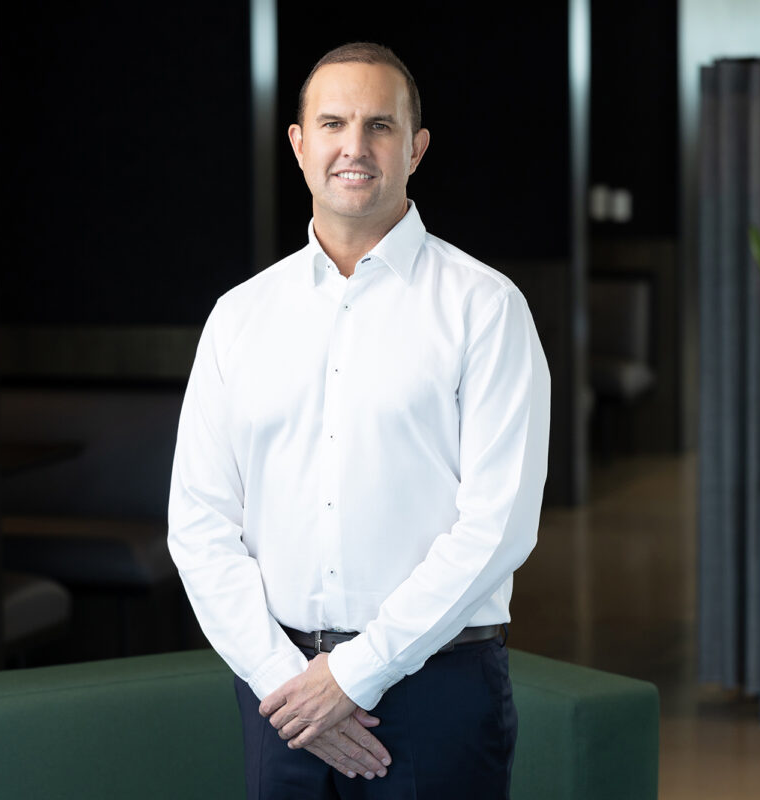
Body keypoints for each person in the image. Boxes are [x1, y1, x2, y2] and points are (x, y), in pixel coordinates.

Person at [167, 42, 549, 799]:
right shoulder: (239, 317)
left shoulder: (486, 308)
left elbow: (498, 524)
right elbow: (199, 524)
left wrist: (356, 673)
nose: (355, 146)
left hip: (438, 689)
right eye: (334, 123)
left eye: (380, 126)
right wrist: (294, 683)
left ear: (416, 148)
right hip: (281, 695)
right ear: (299, 145)